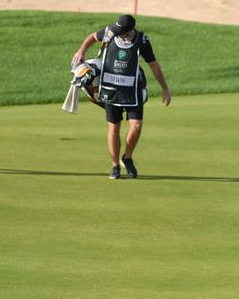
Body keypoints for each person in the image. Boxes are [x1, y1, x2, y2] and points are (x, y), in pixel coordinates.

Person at [71, 14, 171, 179]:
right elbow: (93, 37)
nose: (117, 33)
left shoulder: (142, 41)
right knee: (114, 127)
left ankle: (127, 157)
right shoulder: (110, 31)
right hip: (110, 89)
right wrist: (81, 51)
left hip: (132, 90)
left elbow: (153, 65)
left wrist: (165, 88)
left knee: (136, 126)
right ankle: (115, 165)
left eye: (121, 31)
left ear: (130, 31)